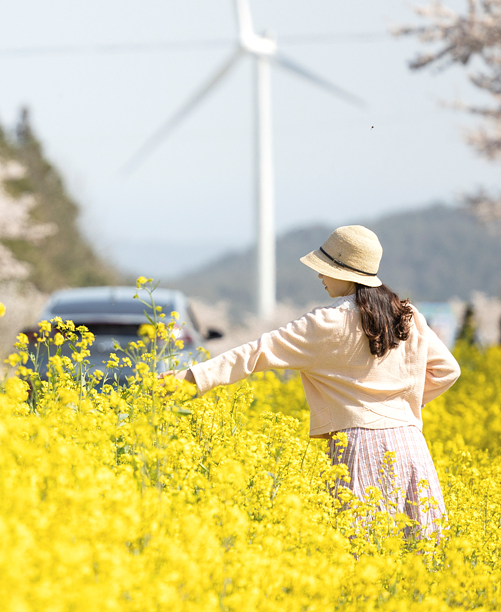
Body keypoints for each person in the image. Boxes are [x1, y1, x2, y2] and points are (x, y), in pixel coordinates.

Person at [165, 225, 460, 538]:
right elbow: (447, 371)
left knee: (359, 551)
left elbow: (258, 352)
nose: (320, 276)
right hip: (411, 444)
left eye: (325, 269)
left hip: (359, 444)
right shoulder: (407, 315)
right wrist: (403, 403)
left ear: (346, 273)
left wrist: (189, 378)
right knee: (419, 554)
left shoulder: (326, 322)